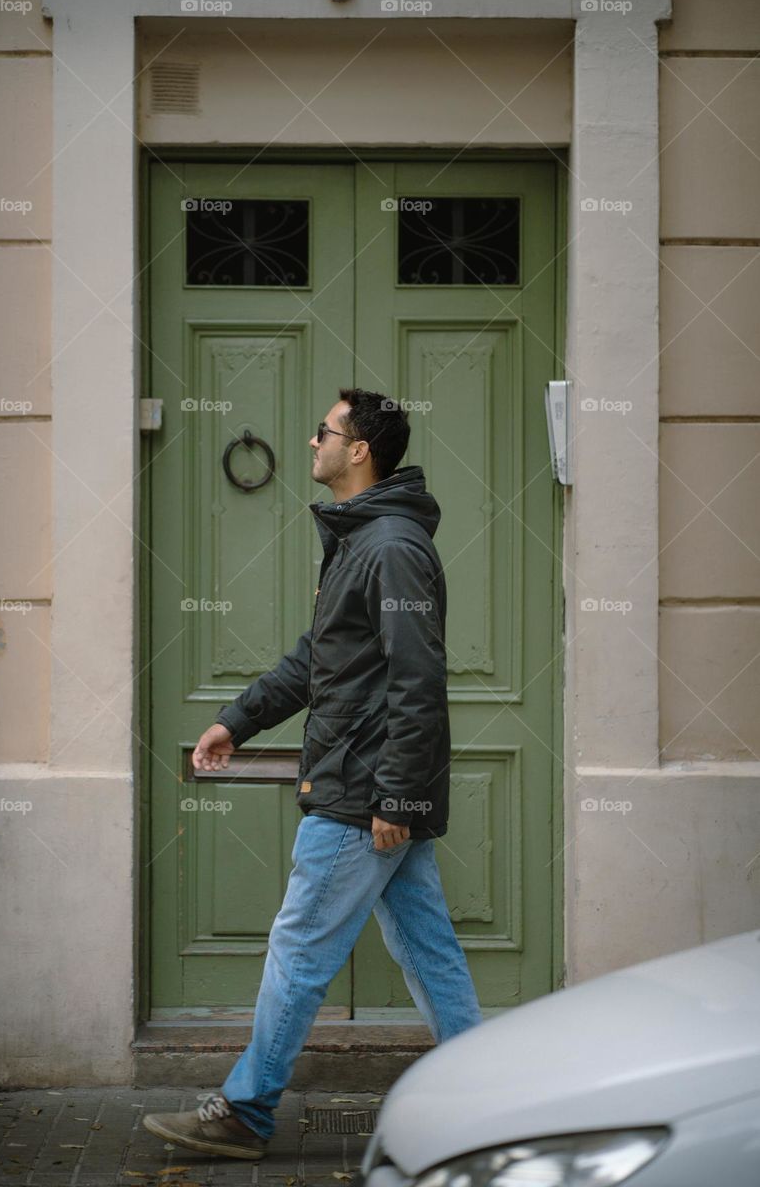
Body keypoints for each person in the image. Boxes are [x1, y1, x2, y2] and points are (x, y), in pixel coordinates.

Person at [144, 388, 482, 1159]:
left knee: (299, 949)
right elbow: (319, 657)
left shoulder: (389, 545)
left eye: (322, 431)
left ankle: (244, 1109)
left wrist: (395, 792)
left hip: (361, 792)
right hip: (370, 784)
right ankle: (493, 1095)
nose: (309, 442)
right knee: (428, 950)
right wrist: (238, 719)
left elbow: (416, 679)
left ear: (358, 450)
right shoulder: (361, 541)